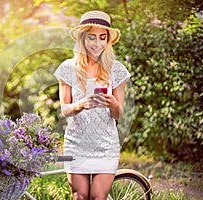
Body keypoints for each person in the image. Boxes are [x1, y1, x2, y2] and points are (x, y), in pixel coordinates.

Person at [53, 10, 131, 200]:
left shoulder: (117, 70)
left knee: (98, 196)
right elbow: (64, 110)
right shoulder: (68, 68)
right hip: (76, 143)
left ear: (108, 41)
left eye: (102, 38)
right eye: (92, 37)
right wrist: (81, 104)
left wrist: (113, 104)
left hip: (106, 145)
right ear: (82, 39)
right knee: (79, 196)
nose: (97, 43)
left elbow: (119, 115)